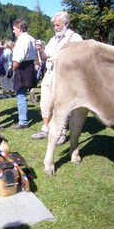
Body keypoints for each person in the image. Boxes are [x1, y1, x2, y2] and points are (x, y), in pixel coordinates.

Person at [31, 11, 83, 144]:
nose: (56, 27)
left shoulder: (75, 38)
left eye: (58, 25)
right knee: (45, 103)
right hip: (49, 74)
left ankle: (61, 132)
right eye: (54, 25)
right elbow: (44, 58)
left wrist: (61, 60)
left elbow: (81, 60)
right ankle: (45, 128)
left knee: (61, 105)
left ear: (67, 23)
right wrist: (41, 50)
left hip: (64, 77)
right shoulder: (53, 40)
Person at [10, 19, 38, 129]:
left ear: (20, 29)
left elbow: (18, 59)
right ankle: (22, 117)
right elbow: (36, 55)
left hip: (22, 68)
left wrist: (11, 69)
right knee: (21, 94)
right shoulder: (31, 38)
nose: (13, 31)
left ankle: (23, 121)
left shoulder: (22, 40)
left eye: (14, 29)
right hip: (29, 67)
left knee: (20, 95)